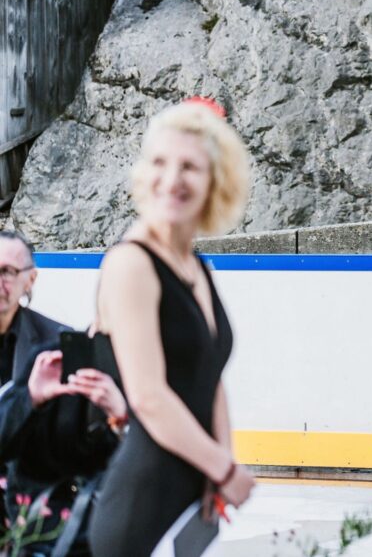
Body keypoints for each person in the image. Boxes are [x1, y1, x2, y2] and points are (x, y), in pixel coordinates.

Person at [89, 99, 256, 556]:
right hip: (142, 505)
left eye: (190, 167)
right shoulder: (130, 263)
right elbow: (148, 396)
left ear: (215, 181)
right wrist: (223, 469)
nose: (171, 179)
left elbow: (210, 375)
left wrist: (218, 466)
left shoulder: (196, 266)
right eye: (160, 163)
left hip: (195, 494)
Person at [0, 230, 125, 556]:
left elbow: (79, 451)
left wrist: (117, 418)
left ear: (30, 280)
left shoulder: (54, 344)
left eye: (8, 271)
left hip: (24, 502)